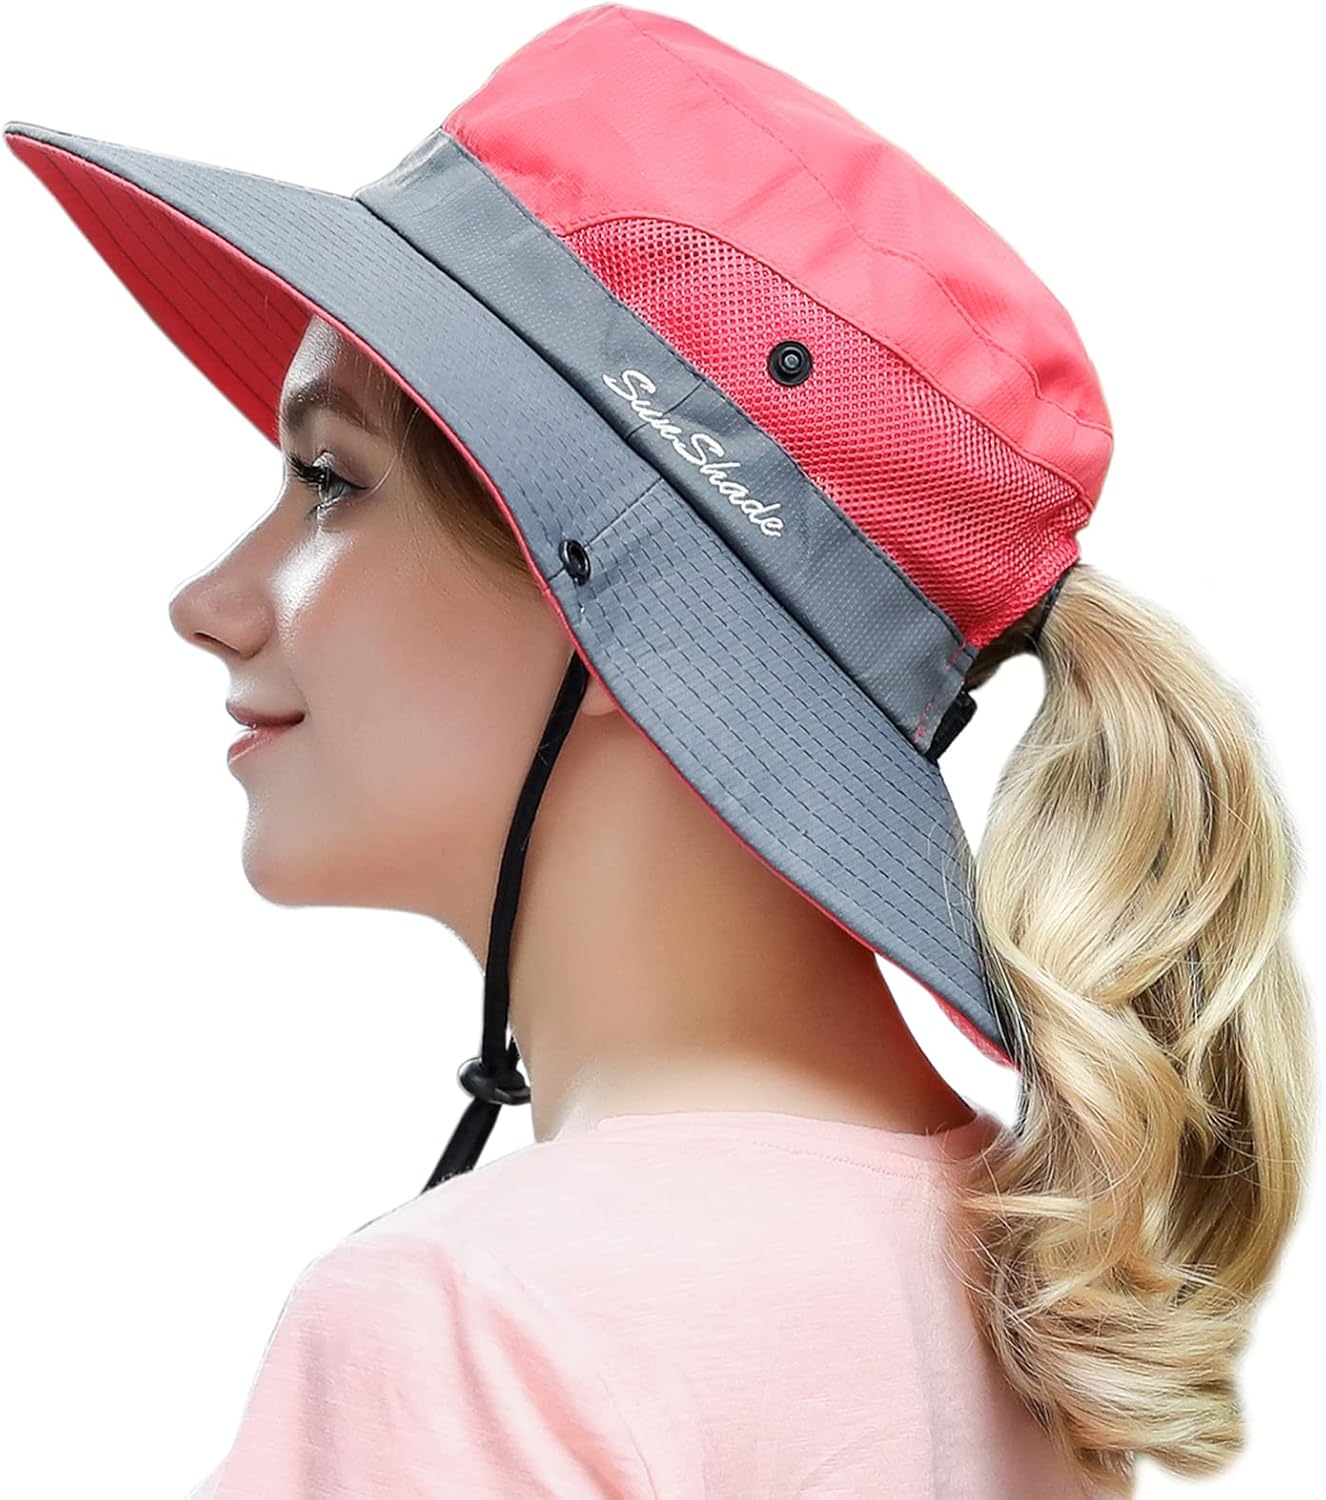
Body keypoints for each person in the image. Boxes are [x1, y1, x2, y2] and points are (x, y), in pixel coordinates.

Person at [4, 5, 1313, 1497]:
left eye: (330, 479)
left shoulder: (474, 1329)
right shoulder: (1036, 1303)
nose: (207, 603)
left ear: (610, 601)